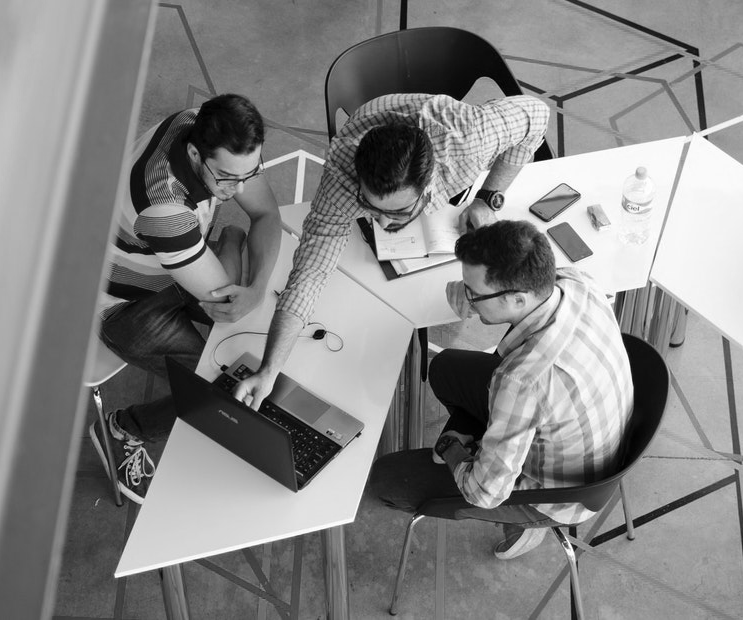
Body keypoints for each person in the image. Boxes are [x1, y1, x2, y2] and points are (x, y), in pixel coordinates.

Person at [233, 93, 550, 410]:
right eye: (370, 207)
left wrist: (488, 196)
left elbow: (538, 114)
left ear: (428, 188)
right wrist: (269, 370)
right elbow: (309, 274)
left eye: (397, 213)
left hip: (445, 127)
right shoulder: (341, 177)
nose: (382, 223)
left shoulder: (468, 140)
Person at [366, 220, 634, 559]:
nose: (467, 299)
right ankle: (500, 446)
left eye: (473, 294)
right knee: (445, 368)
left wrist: (452, 449)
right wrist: (466, 290)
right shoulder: (576, 282)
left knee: (387, 479)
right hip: (591, 438)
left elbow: (484, 493)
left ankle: (522, 523)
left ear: (518, 298)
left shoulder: (522, 380)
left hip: (557, 494)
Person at [90, 94, 282, 503]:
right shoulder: (165, 210)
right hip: (123, 305)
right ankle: (125, 428)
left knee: (254, 335)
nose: (241, 188)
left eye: (251, 172)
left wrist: (257, 288)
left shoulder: (200, 123)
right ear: (195, 153)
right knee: (217, 387)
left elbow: (266, 214)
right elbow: (228, 301)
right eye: (228, 178)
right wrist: (232, 241)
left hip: (172, 265)